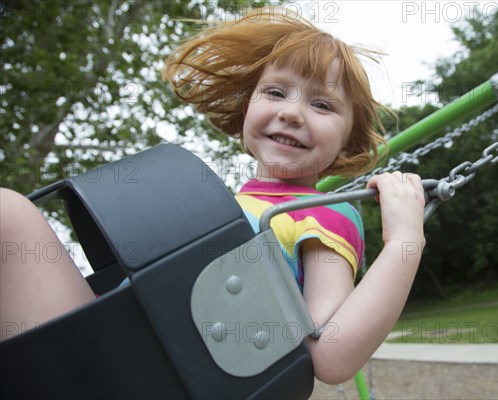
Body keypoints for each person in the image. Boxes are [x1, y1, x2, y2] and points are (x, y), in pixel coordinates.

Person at [0, 7, 425, 386]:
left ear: (349, 141)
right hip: (117, 340)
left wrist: (405, 242)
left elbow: (329, 355)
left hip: (145, 372)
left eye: (323, 105)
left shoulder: (322, 215)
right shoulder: (224, 206)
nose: (292, 112)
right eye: (276, 92)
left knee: (9, 214)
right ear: (247, 110)